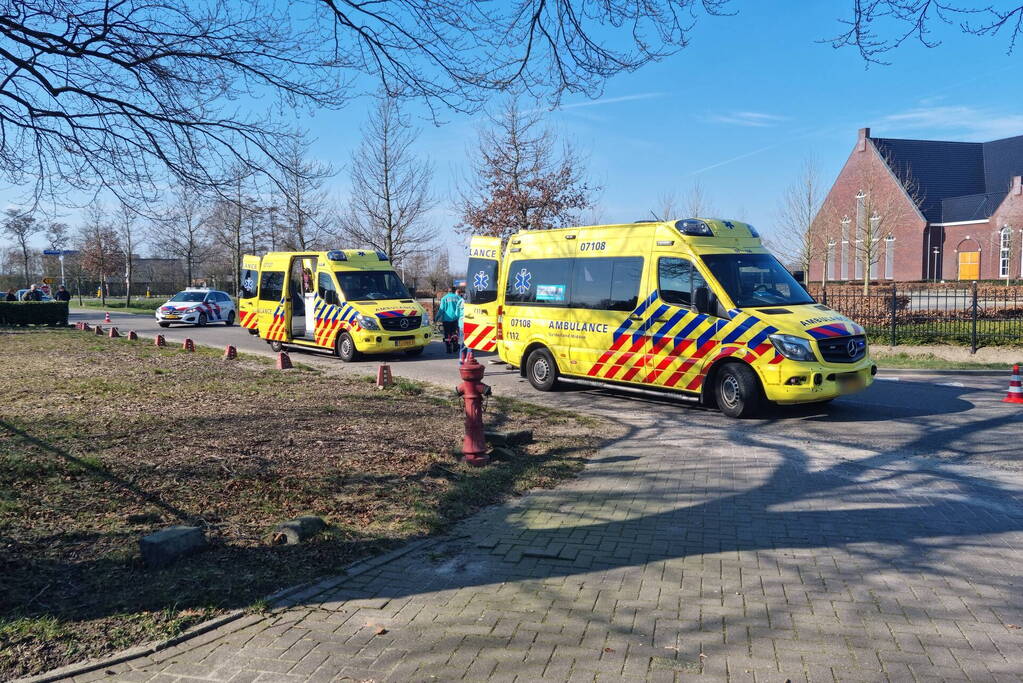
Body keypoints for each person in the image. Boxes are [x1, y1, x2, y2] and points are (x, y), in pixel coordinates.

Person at [436, 286, 464, 354]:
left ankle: (448, 349)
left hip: (446, 319)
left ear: (447, 291)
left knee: (447, 334)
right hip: (456, 319)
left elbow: (441, 310)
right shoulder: (459, 298)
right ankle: (455, 346)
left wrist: (436, 317)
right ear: (454, 291)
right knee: (455, 333)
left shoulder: (444, 298)